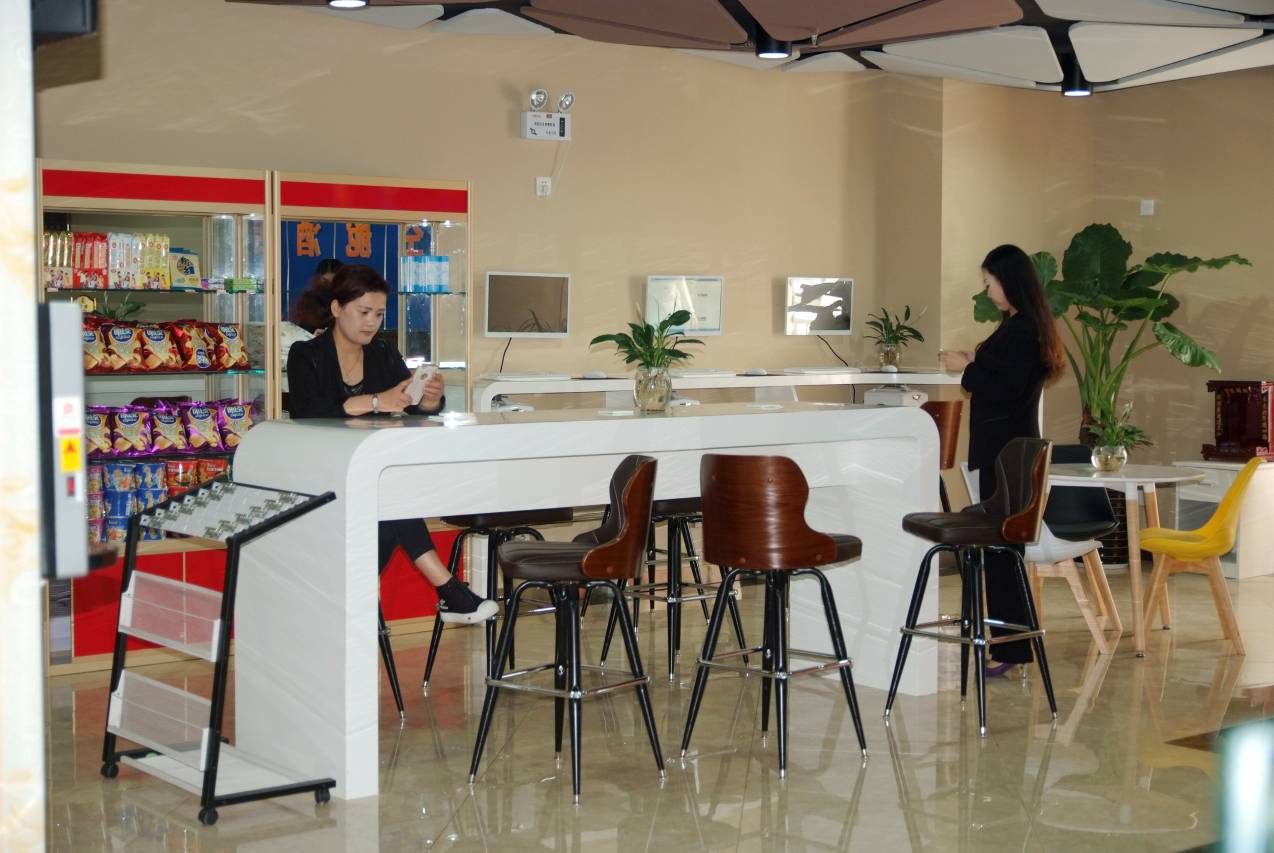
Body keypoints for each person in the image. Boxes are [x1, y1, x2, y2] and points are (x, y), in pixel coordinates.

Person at [287, 263, 497, 624]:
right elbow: (308, 412)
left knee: (390, 504)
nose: (372, 322)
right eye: (363, 312)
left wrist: (429, 399)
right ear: (337, 308)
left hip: (369, 478)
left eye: (379, 314)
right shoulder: (306, 355)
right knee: (393, 500)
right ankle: (446, 590)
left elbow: (411, 405)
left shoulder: (383, 354)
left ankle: (353, 594)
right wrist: (373, 401)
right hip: (322, 480)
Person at [940, 244, 1064, 673]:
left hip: (1006, 453)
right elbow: (1005, 372)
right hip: (1004, 449)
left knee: (1000, 548)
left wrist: (967, 369)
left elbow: (1005, 388)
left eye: (990, 282)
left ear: (1009, 281)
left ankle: (1011, 647)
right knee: (1000, 549)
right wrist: (976, 360)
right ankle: (1011, 644)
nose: (988, 289)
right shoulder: (1017, 325)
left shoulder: (1024, 329)